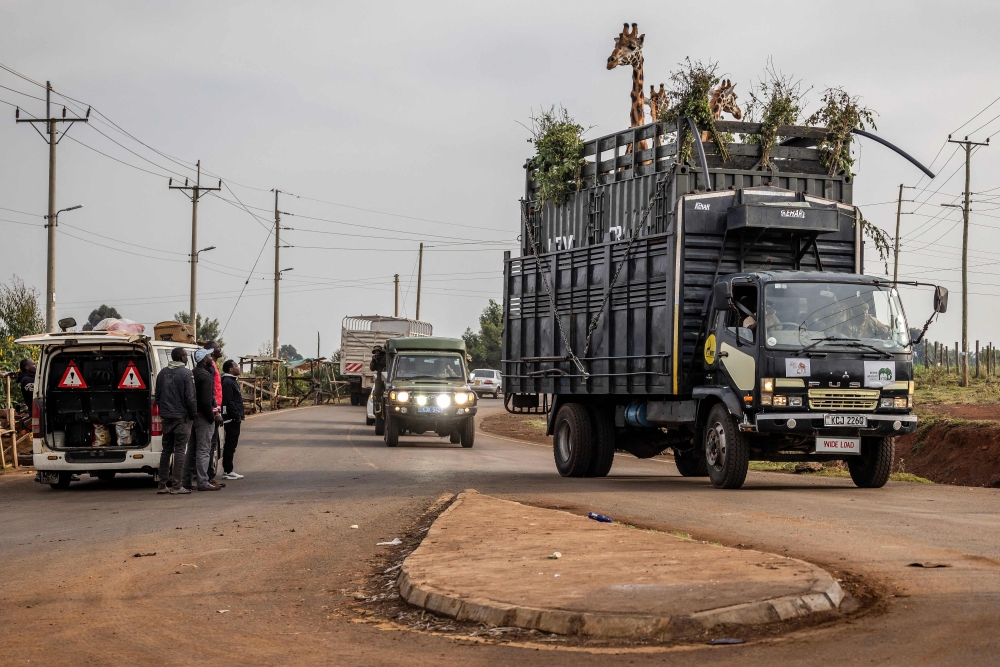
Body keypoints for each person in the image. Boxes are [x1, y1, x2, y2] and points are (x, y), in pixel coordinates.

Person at [154, 348, 197, 494]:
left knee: (166, 450)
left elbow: (157, 396)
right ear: (182, 357)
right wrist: (193, 415)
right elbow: (190, 398)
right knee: (179, 450)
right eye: (185, 355)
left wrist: (164, 411)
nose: (186, 358)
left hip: (167, 417)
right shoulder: (186, 373)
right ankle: (177, 486)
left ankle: (162, 485)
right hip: (181, 417)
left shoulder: (162, 373)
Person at [179, 349, 223, 492]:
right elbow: (205, 402)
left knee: (191, 450)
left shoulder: (193, 373)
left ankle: (185, 481)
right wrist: (212, 417)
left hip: (192, 416)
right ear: (204, 359)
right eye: (209, 356)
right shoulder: (205, 376)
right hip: (203, 417)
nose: (212, 357)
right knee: (203, 450)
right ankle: (202, 481)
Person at [220, 360, 245, 480]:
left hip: (233, 417)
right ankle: (228, 470)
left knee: (231, 444)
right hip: (231, 419)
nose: (238, 368)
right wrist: (236, 416)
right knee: (230, 445)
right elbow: (229, 402)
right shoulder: (228, 382)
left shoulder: (231, 381)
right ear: (230, 369)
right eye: (236, 366)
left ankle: (228, 470)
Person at [204, 341, 224, 483]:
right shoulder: (210, 367)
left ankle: (206, 475)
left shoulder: (214, 366)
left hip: (214, 407)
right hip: (211, 410)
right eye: (217, 347)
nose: (220, 349)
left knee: (209, 444)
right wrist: (216, 412)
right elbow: (211, 391)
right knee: (209, 445)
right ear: (211, 351)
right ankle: (208, 475)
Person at [370, 345, 387, 420]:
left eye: (378, 351)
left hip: (387, 376)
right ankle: (378, 406)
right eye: (375, 352)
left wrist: (378, 360)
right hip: (380, 376)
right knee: (377, 392)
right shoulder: (375, 358)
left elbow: (384, 363)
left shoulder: (385, 357)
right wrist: (373, 361)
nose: (376, 353)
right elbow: (372, 368)